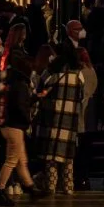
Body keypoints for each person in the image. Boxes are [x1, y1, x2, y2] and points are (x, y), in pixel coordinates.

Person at [31, 41, 87, 195]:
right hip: (70, 120)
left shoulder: (50, 72)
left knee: (51, 156)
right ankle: (68, 187)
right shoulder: (78, 74)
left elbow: (38, 90)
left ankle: (51, 185)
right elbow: (81, 96)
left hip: (51, 119)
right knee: (68, 157)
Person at [0, 41, 39, 206]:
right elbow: (20, 106)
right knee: (12, 159)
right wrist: (28, 119)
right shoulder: (21, 84)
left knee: (20, 159)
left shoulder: (10, 81)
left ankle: (31, 187)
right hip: (15, 126)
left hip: (8, 125)